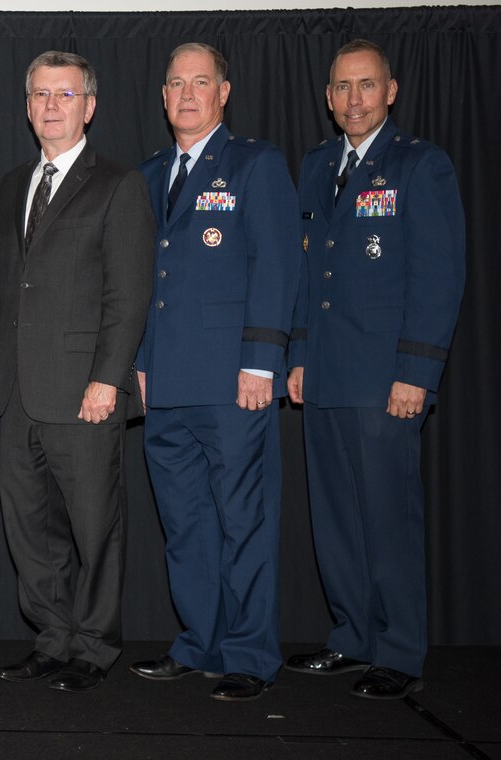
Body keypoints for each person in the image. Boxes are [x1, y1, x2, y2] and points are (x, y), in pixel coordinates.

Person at [285, 39, 465, 699]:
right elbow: (305, 274)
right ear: (328, 98)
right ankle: (351, 637)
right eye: (341, 87)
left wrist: (417, 371)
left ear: (390, 90)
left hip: (386, 375)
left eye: (366, 86)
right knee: (335, 518)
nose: (353, 99)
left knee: (388, 517)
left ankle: (399, 648)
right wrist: (298, 354)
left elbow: (439, 276)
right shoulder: (313, 167)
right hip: (326, 373)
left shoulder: (420, 166)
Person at [0, 51, 154, 692]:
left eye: (66, 94)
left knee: (93, 527)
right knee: (30, 529)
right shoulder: (11, 182)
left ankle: (95, 647)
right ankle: (51, 639)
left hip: (85, 391)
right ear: (27, 107)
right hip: (19, 388)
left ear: (90, 106)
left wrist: (109, 378)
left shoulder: (117, 184)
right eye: (41, 95)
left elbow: (129, 295)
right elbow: (1, 284)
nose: (52, 105)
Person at [129, 43, 298, 701]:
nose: (188, 94)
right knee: (186, 524)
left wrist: (261, 362)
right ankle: (199, 642)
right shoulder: (148, 175)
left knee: (243, 521)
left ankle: (251, 654)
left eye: (202, 82)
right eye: (176, 83)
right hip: (165, 383)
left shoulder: (255, 164)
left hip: (234, 382)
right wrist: (140, 364)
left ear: (224, 93)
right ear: (163, 96)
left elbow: (277, 266)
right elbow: (145, 281)